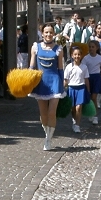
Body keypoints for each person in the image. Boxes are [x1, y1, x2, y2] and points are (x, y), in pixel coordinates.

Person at [29, 23, 66, 151]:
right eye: (46, 32)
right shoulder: (35, 47)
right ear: (42, 33)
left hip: (55, 81)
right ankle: (46, 133)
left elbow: (61, 68)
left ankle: (49, 139)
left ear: (54, 34)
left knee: (51, 112)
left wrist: (63, 83)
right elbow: (32, 66)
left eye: (51, 32)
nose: (48, 35)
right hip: (41, 82)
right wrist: (28, 80)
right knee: (43, 113)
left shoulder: (59, 49)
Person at [64, 46, 90, 134]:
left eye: (79, 54)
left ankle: (77, 125)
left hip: (81, 88)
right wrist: (62, 89)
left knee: (79, 107)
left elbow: (86, 80)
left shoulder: (84, 67)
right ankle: (74, 120)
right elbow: (66, 80)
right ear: (72, 55)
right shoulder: (68, 67)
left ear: (81, 56)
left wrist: (88, 90)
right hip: (71, 88)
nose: (77, 56)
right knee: (73, 108)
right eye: (75, 54)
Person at [81, 40, 101, 125]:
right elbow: (83, 68)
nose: (91, 49)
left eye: (93, 47)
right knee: (89, 97)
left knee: (94, 97)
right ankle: (90, 112)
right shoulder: (86, 58)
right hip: (88, 78)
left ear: (97, 48)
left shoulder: (100, 58)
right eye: (90, 47)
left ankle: (95, 116)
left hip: (96, 78)